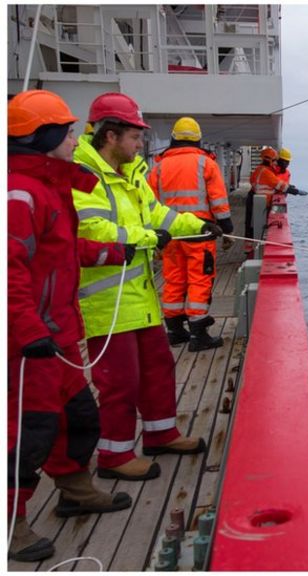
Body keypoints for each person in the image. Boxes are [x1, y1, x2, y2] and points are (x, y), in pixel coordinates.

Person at [7, 90, 133, 562]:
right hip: (30, 341)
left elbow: (58, 252)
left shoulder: (48, 185)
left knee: (78, 416)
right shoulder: (18, 192)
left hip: (56, 333)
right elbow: (10, 269)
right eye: (66, 130)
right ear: (43, 137)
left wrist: (113, 252)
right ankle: (11, 525)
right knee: (27, 432)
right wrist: (26, 330)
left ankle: (75, 489)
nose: (74, 137)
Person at [72, 92, 220, 481]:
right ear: (111, 136)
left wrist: (197, 226)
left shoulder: (132, 172)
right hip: (106, 300)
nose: (141, 145)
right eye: (135, 137)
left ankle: (160, 433)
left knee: (156, 368)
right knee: (119, 382)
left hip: (139, 297)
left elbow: (159, 213)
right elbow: (92, 230)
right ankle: (114, 457)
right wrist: (149, 237)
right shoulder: (83, 175)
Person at [148, 117, 233, 351]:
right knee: (199, 279)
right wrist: (226, 226)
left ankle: (175, 330)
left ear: (174, 138)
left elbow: (151, 203)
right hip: (200, 232)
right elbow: (217, 198)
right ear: (198, 139)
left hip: (170, 235)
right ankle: (199, 334)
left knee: (174, 279)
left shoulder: (158, 166)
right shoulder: (205, 163)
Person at [245, 146, 306, 257]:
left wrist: (289, 187)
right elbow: (278, 184)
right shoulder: (267, 172)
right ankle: (251, 251)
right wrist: (294, 191)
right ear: (271, 160)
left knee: (252, 225)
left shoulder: (261, 170)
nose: (275, 163)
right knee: (255, 226)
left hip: (258, 200)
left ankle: (249, 250)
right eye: (275, 161)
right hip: (261, 202)